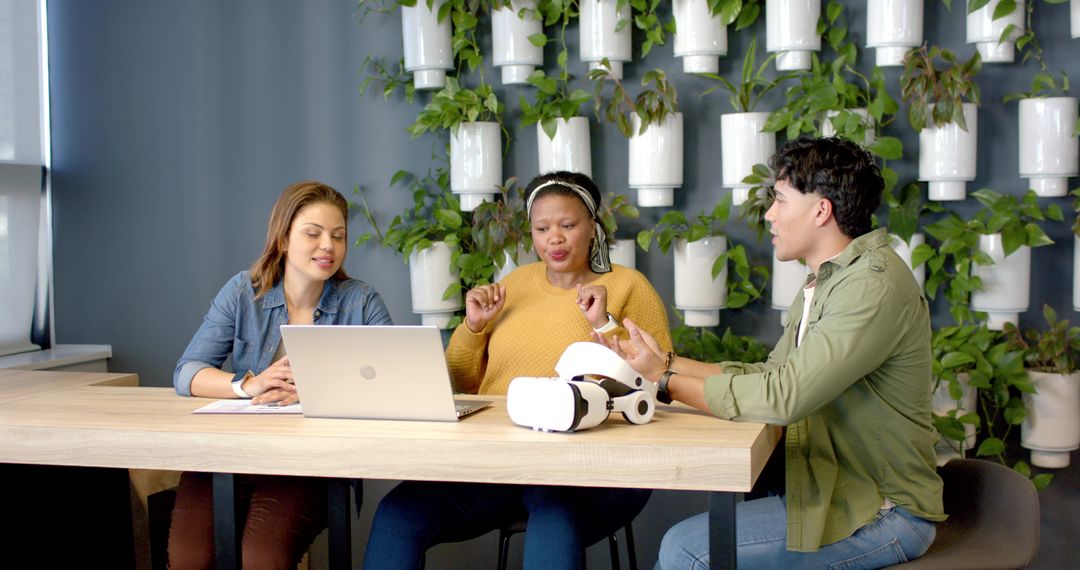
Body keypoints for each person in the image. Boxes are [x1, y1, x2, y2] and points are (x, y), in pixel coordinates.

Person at [599, 137, 946, 569]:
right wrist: (666, 364)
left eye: (780, 200)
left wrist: (665, 383)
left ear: (821, 210)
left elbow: (784, 397)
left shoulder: (870, 286)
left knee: (686, 550)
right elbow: (773, 375)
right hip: (836, 494)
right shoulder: (828, 280)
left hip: (885, 511)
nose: (769, 215)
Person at [362, 171, 674, 570]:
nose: (554, 238)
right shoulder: (513, 285)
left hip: (590, 471)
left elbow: (656, 386)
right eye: (542, 228)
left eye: (568, 225)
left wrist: (603, 323)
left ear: (593, 227)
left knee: (553, 515)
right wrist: (474, 327)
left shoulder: (629, 286)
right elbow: (462, 385)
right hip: (498, 464)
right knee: (398, 512)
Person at [170, 180, 392, 569]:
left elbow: (396, 383)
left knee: (262, 559)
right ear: (284, 239)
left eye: (338, 236)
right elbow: (187, 372)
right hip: (228, 455)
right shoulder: (243, 291)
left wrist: (316, 391)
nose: (328, 245)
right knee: (190, 558)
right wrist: (247, 385)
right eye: (313, 233)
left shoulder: (361, 301)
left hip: (308, 465)